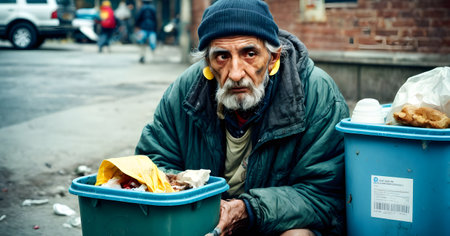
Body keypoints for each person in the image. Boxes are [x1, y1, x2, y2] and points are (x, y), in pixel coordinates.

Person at [135, 0, 349, 235]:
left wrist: (249, 210)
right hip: (204, 223)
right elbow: (151, 163)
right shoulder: (187, 90)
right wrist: (191, 194)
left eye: (250, 54)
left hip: (276, 225)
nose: (236, 74)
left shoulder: (316, 93)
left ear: (273, 59)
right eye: (222, 57)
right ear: (207, 63)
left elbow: (325, 195)